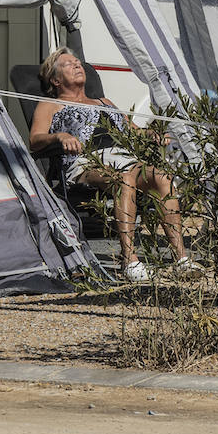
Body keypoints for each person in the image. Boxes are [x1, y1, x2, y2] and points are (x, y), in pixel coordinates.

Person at [29, 47, 199, 282]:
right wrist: (59, 137)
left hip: (124, 157)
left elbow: (133, 132)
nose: (78, 65)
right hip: (85, 163)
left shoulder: (104, 101)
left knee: (162, 177)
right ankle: (130, 260)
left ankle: (182, 259)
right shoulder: (49, 105)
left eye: (78, 62)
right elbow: (35, 140)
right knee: (122, 179)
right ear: (55, 80)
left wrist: (152, 135)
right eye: (68, 64)